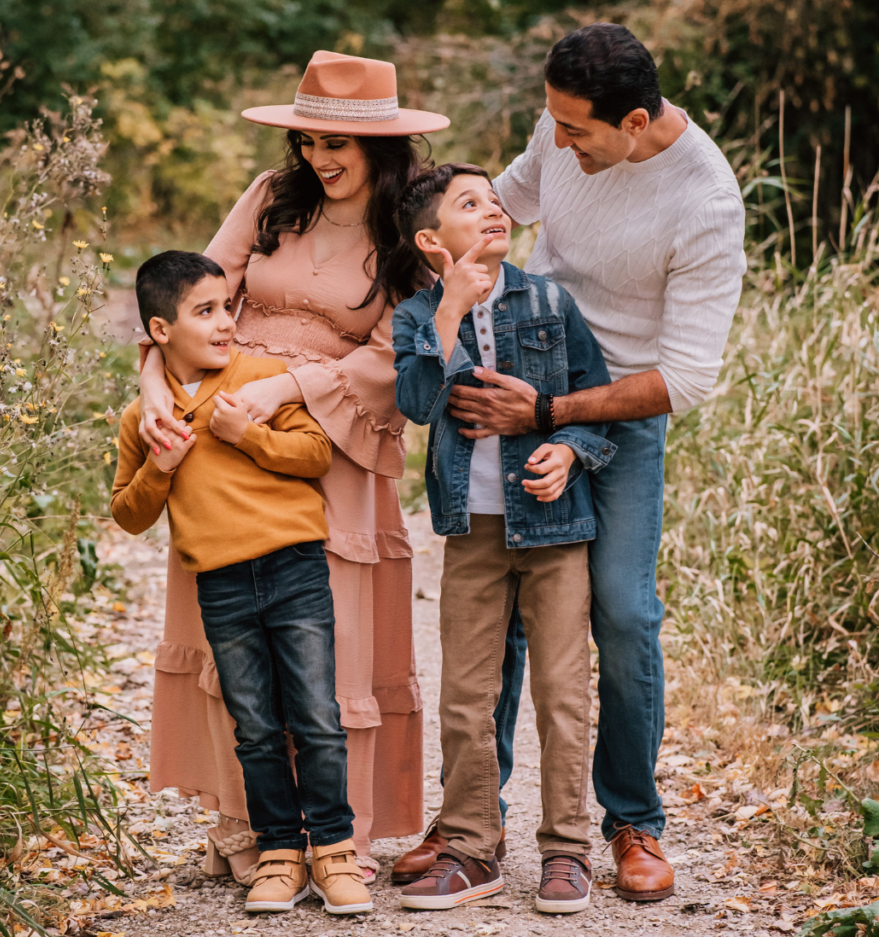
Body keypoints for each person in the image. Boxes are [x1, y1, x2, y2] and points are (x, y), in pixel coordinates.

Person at [426, 23, 747, 902]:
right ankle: (470, 821)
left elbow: (684, 377)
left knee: (623, 613)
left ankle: (631, 819)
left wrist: (556, 413)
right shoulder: (561, 127)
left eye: (576, 132)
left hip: (619, 416)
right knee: (502, 614)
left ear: (636, 122)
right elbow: (498, 213)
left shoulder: (706, 201)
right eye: (552, 124)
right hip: (521, 380)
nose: (556, 144)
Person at [135, 52, 450, 884]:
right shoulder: (273, 201)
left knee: (327, 645)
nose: (321, 157)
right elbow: (189, 294)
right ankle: (251, 826)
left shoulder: (406, 232)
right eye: (308, 138)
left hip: (337, 435)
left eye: (339, 141)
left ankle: (334, 835)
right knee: (230, 626)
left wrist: (291, 385)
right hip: (226, 419)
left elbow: (396, 351)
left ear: (383, 145)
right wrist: (152, 382)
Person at [112, 251, 373, 915]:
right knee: (255, 724)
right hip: (221, 584)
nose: (227, 321)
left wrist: (249, 434)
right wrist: (161, 469)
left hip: (294, 567)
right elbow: (128, 513)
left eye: (228, 306)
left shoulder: (260, 380)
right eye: (205, 311)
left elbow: (316, 453)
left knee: (315, 715)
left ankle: (335, 850)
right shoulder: (144, 418)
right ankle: (280, 852)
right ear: (160, 330)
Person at [391, 165, 615, 914]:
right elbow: (420, 403)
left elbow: (593, 404)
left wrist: (569, 448)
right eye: (469, 204)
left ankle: (566, 851)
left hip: (555, 530)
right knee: (466, 695)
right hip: (474, 532)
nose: (492, 210)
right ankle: (471, 846)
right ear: (432, 241)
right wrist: (448, 311)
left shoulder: (550, 300)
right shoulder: (416, 315)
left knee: (561, 694)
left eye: (494, 199)